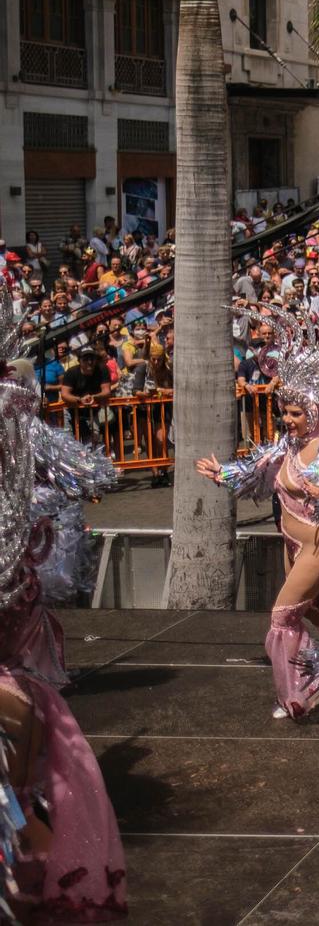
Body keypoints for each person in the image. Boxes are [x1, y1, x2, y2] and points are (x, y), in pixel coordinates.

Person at [0, 354, 126, 920]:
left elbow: (98, 473)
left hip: (18, 644)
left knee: (23, 765)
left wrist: (34, 497)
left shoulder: (19, 423)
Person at [198, 305, 319, 719]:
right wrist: (222, 474)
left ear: (315, 412)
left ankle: (297, 696)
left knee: (282, 618)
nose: (288, 420)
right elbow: (249, 474)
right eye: (285, 412)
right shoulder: (281, 450)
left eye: (296, 413)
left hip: (317, 551)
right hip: (293, 550)